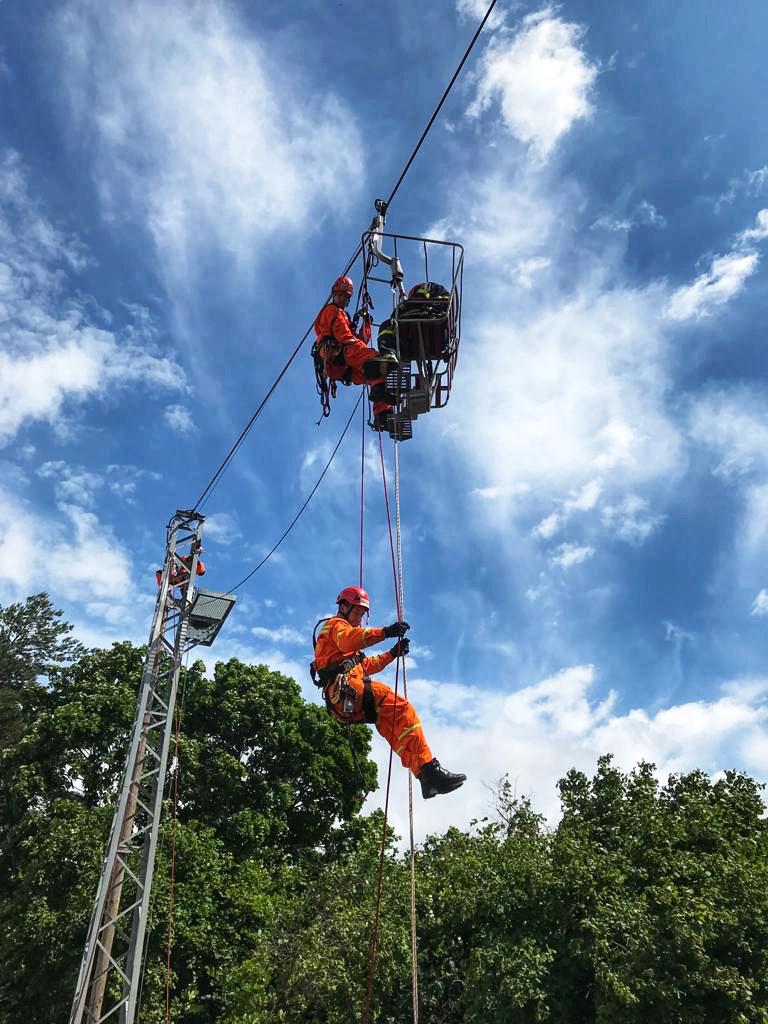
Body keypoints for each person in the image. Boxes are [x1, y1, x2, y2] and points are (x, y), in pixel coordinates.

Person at [311, 585, 466, 799]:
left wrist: (393, 653)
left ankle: (424, 776)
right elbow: (350, 638)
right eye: (356, 613)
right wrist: (386, 632)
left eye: (362, 614)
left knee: (395, 728)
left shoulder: (345, 648)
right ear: (344, 607)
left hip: (347, 696)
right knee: (402, 708)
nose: (359, 618)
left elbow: (367, 665)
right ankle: (431, 770)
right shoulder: (335, 626)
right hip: (345, 689)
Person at [313, 275, 399, 430]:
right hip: (335, 355)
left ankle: (383, 415)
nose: (342, 299)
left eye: (346, 297)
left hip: (343, 369)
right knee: (374, 359)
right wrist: (370, 354)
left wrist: (366, 323)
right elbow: (344, 336)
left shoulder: (341, 315)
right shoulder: (332, 311)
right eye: (340, 295)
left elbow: (359, 339)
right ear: (333, 294)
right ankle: (378, 377)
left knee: (377, 375)